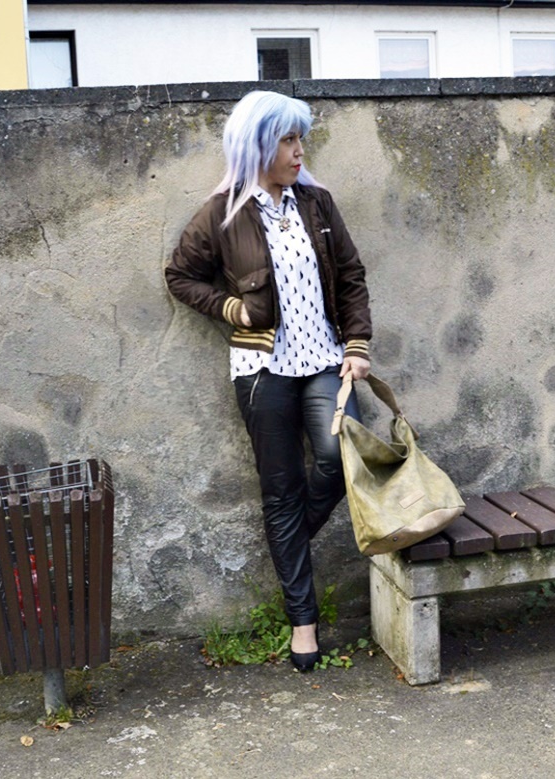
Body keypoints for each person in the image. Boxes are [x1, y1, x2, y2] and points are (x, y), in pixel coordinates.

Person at [165, 91, 372, 672]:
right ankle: (302, 625)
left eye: (300, 138)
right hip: (262, 372)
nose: (299, 151)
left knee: (339, 459)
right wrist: (233, 310)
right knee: (280, 492)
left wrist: (356, 347)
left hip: (325, 362)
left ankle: (288, 540)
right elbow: (180, 276)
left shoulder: (317, 203)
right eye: (287, 140)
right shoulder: (222, 213)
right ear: (258, 145)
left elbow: (351, 275)